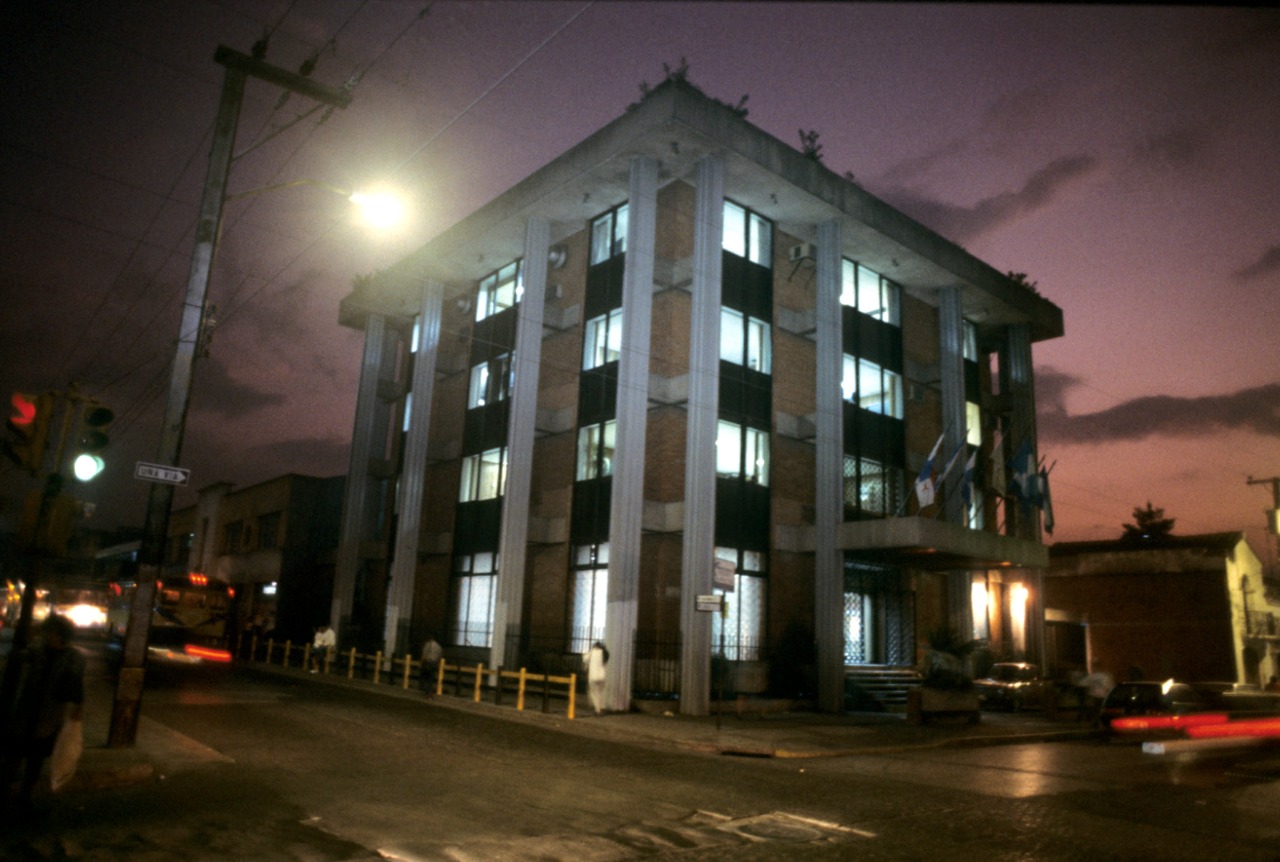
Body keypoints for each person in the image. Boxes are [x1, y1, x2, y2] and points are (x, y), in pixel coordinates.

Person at [1, 614, 85, 814]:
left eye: (50, 632)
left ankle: (25, 796)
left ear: (59, 634)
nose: (47, 635)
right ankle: (6, 794)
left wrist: (77, 713)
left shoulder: (74, 658)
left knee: (35, 760)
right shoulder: (36, 651)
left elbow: (77, 690)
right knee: (14, 756)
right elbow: (13, 662)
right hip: (25, 712)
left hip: (48, 717)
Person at [583, 640, 608, 716]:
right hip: (602, 676)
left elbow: (584, 659)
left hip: (593, 676)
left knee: (593, 693)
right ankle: (600, 707)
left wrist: (586, 665)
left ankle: (597, 710)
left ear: (595, 646)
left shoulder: (592, 652)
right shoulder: (604, 653)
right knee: (600, 693)